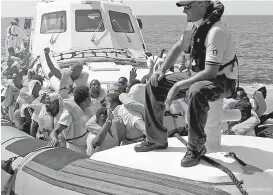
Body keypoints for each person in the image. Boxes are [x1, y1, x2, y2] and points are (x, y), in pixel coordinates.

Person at [134, 0, 238, 167]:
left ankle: (196, 148)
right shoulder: (193, 26)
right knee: (154, 85)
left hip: (222, 81)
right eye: (183, 7)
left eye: (188, 7)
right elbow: (179, 45)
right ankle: (156, 139)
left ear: (202, 4)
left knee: (196, 91)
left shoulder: (216, 31)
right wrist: (162, 71)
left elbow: (211, 73)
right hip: (197, 75)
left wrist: (177, 86)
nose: (184, 11)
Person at [47, 86, 92, 154]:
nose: (91, 99)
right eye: (89, 97)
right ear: (85, 100)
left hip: (86, 149)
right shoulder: (69, 114)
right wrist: (54, 139)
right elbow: (55, 132)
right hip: (73, 151)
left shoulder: (86, 112)